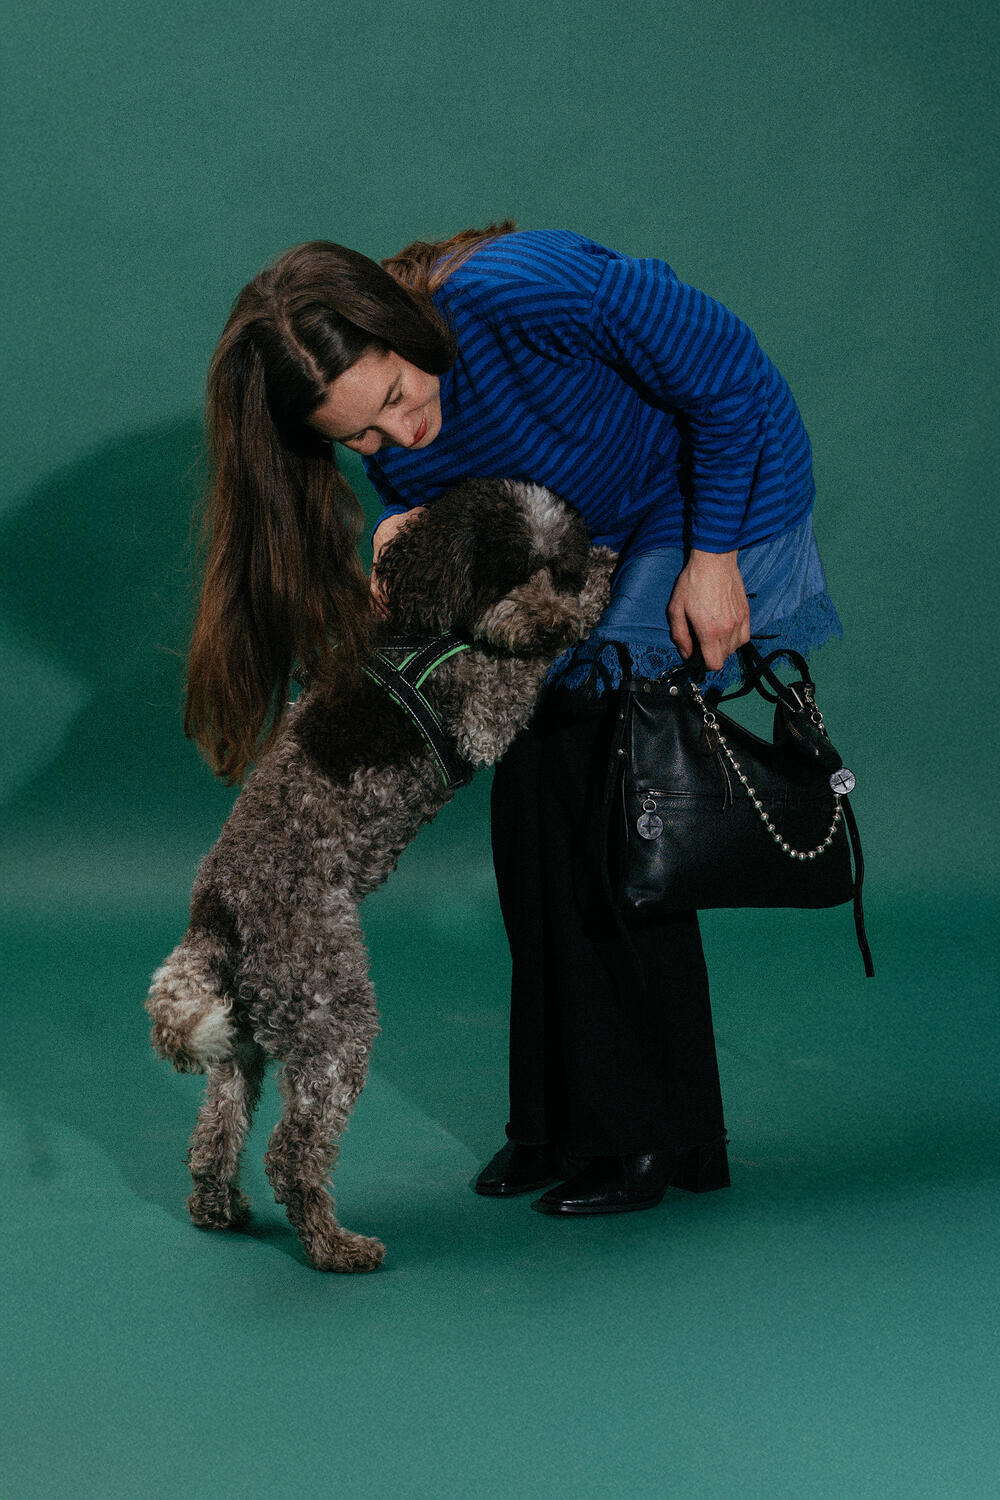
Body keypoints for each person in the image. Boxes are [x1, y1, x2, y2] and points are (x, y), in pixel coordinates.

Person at [185, 221, 843, 1216]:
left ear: (402, 326)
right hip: (594, 544)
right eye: (360, 436)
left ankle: (649, 1137)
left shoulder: (522, 287)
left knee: (606, 788)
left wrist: (714, 560)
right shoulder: (392, 439)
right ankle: (557, 1123)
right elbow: (485, 507)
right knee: (532, 797)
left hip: (711, 495)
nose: (400, 435)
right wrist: (406, 529)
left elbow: (731, 379)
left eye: (397, 396)